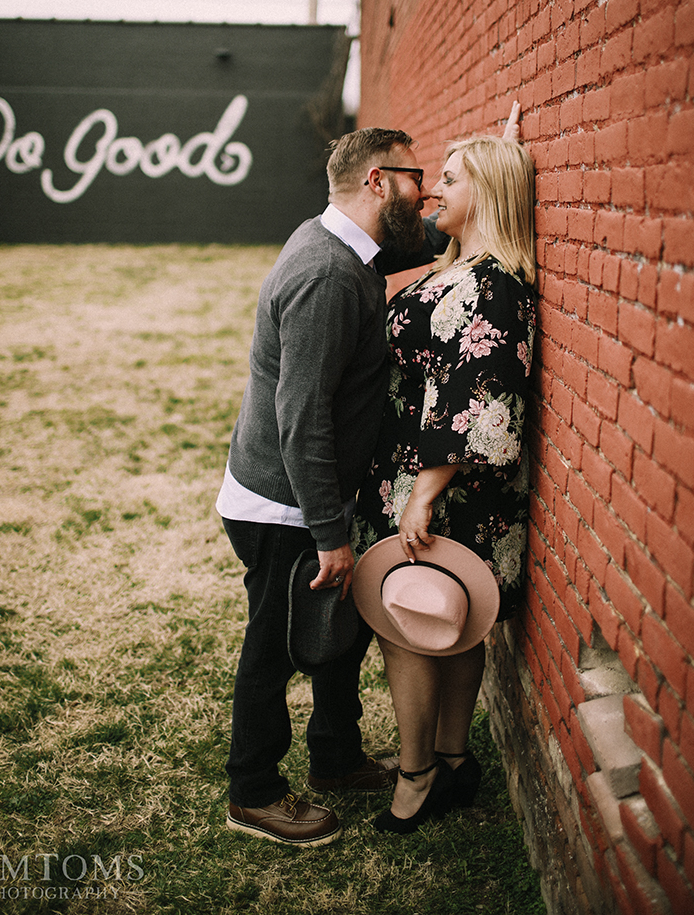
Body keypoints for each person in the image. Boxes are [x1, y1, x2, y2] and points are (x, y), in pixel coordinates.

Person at [216, 125, 435, 847]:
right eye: (416, 176)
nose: (426, 189)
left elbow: (414, 239)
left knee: (338, 642)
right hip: (286, 503)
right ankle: (253, 791)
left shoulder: (349, 245)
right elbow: (301, 420)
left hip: (309, 496)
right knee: (274, 649)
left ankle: (336, 759)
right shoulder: (329, 275)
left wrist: (479, 203)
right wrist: (328, 537)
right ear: (377, 181)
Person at [352, 128, 536, 834]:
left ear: (487, 193)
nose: (434, 190)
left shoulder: (492, 285)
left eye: (452, 180)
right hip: (422, 479)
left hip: (439, 486)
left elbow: (480, 400)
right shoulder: (461, 267)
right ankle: (455, 760)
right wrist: (498, 145)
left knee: (413, 622)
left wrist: (422, 496)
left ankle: (418, 773)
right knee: (454, 624)